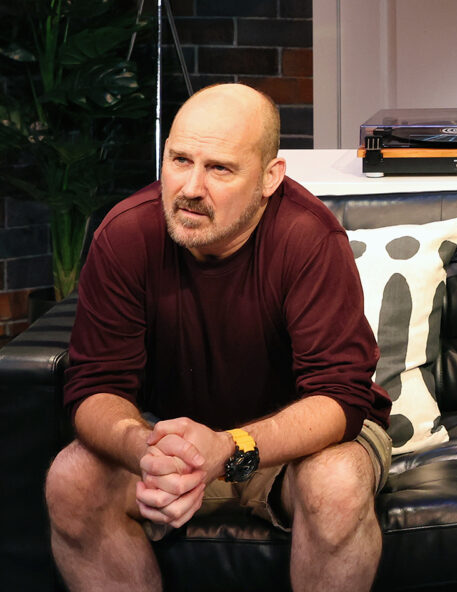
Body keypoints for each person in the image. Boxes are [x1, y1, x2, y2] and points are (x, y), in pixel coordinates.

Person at [44, 83, 393, 592]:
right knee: (71, 478)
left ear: (270, 177)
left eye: (220, 169)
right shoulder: (125, 234)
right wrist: (143, 449)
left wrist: (228, 449)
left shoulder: (309, 238)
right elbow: (95, 385)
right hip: (169, 441)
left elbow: (339, 397)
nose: (190, 188)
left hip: (291, 448)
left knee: (336, 484)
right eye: (180, 160)